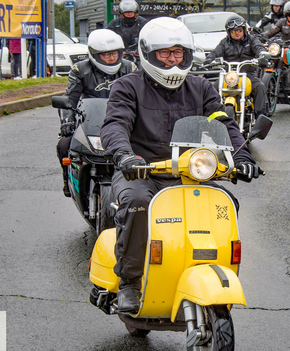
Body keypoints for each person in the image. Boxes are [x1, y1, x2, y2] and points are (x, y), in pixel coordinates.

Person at [99, 17, 259, 313]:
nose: (173, 60)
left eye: (178, 53)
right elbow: (115, 125)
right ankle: (130, 281)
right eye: (165, 53)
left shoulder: (201, 87)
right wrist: (124, 155)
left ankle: (209, 269)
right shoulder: (127, 86)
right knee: (136, 203)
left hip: (188, 172)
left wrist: (242, 156)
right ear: (148, 54)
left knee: (225, 204)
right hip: (141, 171)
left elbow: (223, 123)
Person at [57, 29, 136, 197]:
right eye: (106, 55)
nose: (112, 58)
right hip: (91, 119)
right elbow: (70, 99)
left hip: (124, 120)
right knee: (64, 145)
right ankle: (67, 178)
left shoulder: (130, 68)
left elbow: (142, 96)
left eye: (114, 53)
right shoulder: (80, 70)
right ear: (94, 54)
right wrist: (67, 121)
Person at [204, 15, 269, 118]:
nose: (236, 32)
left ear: (244, 29)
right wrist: (208, 61)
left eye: (239, 30)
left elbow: (259, 47)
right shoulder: (225, 42)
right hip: (229, 75)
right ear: (229, 32)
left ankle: (261, 118)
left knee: (260, 87)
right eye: (233, 31)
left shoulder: (252, 39)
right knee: (210, 89)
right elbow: (215, 52)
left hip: (248, 75)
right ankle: (209, 118)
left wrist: (263, 56)